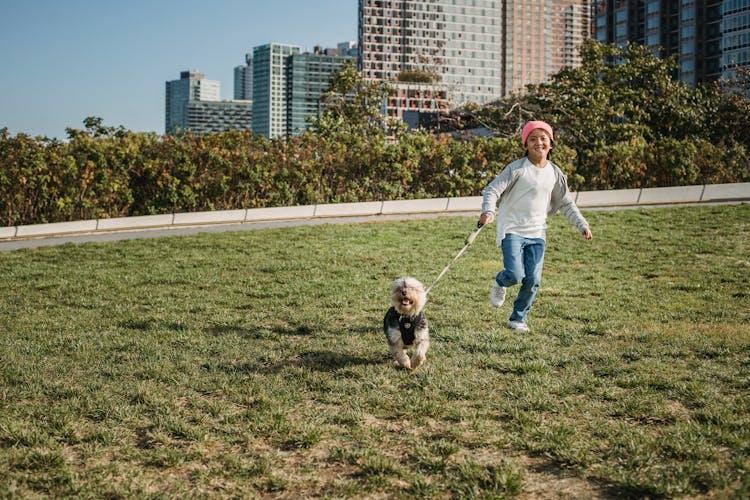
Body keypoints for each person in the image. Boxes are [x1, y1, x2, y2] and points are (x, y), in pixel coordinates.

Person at [478, 120, 593, 332]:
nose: (538, 142)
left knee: (532, 279)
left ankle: (518, 318)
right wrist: (488, 211)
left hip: (537, 233)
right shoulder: (517, 169)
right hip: (512, 229)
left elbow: (566, 202)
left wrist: (581, 225)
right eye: (532, 139)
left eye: (543, 138)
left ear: (551, 144)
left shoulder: (555, 174)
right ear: (526, 144)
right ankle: (500, 282)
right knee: (515, 274)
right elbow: (492, 190)